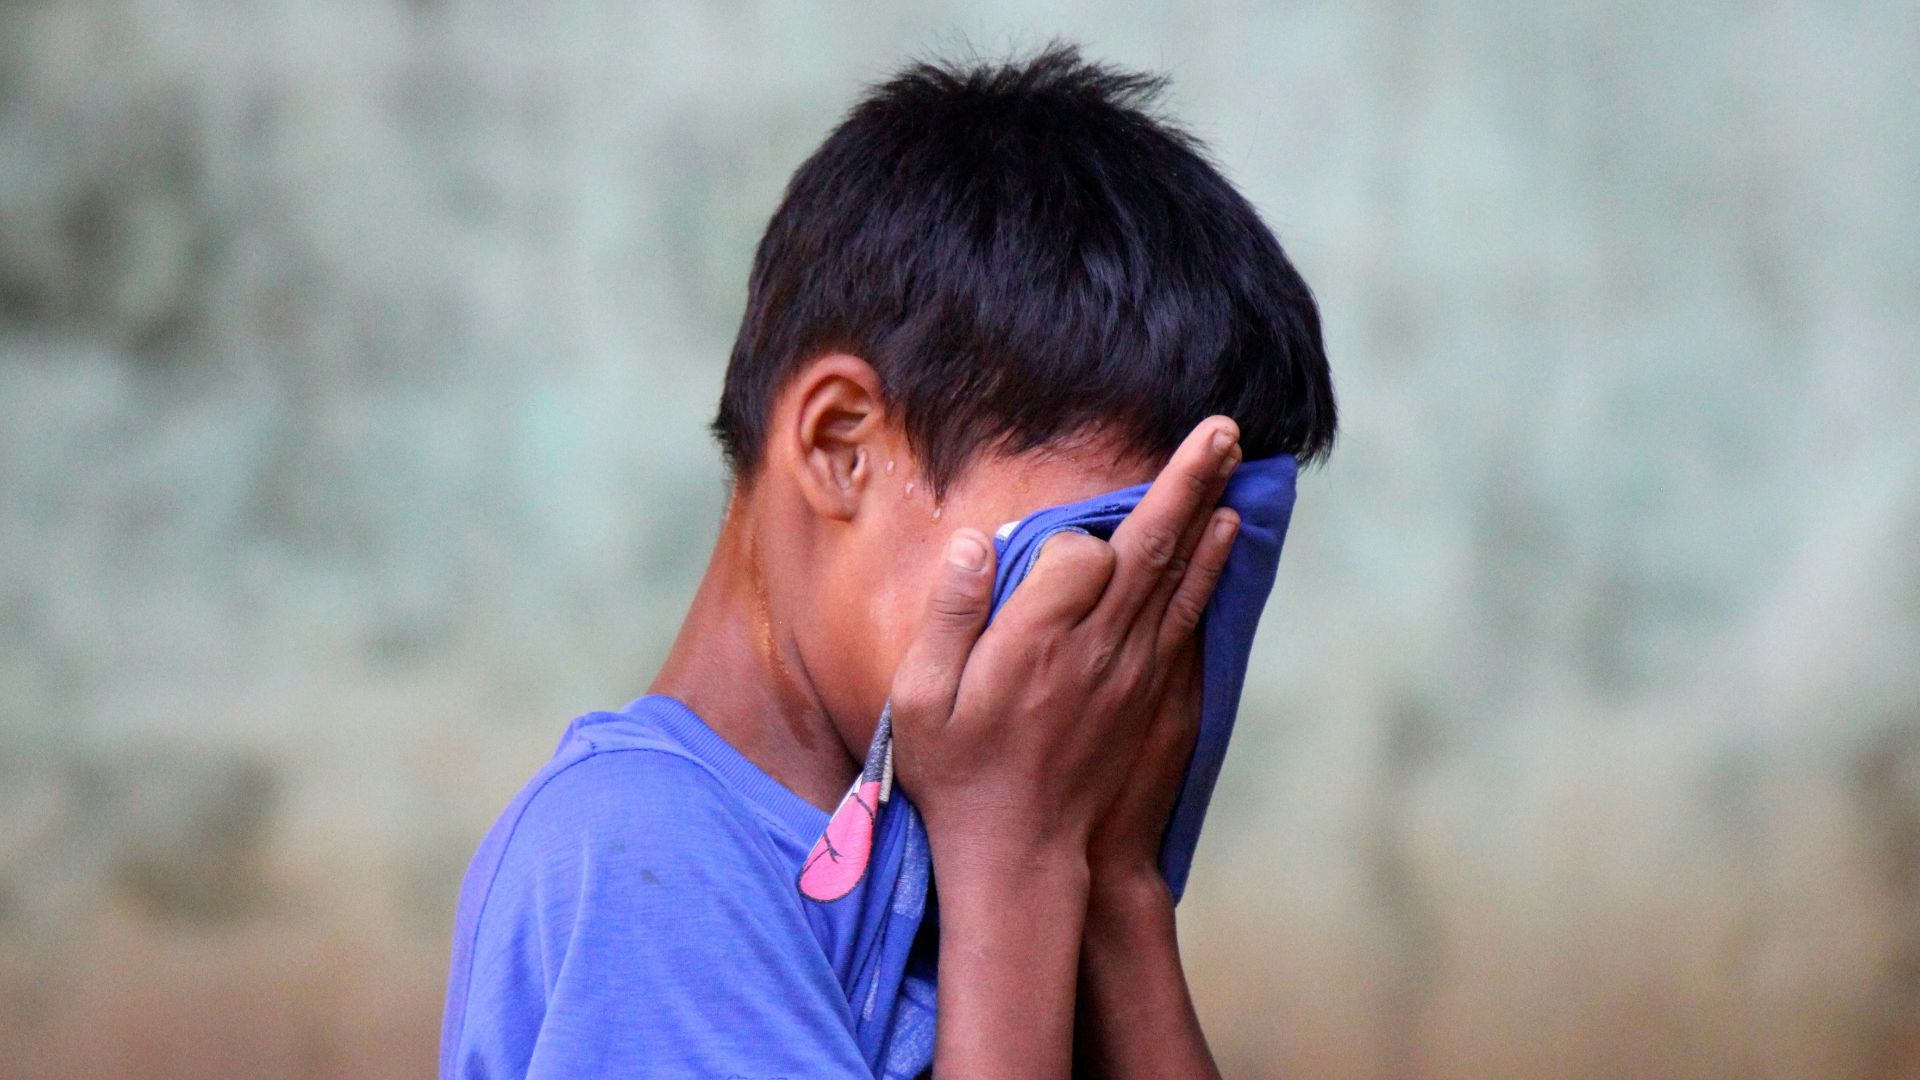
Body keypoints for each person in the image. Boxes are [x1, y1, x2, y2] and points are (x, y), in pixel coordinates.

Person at [440, 42, 1335, 1078]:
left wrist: (1121, 888)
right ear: (839, 447)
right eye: (1085, 563)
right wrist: (1019, 850)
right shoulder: (640, 861)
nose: (1112, 662)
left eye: (1169, 597)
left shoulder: (963, 870)